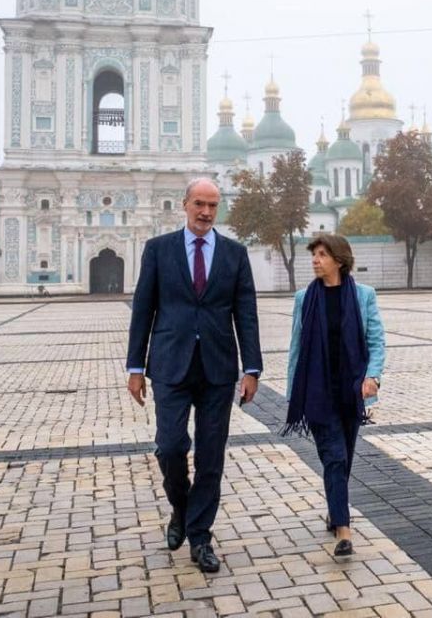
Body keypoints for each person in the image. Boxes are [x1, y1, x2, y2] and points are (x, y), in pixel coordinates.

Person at [126, 178, 262, 574]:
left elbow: (246, 313)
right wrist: (136, 367)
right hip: (170, 365)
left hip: (218, 368)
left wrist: (251, 367)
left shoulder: (235, 254)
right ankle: (182, 510)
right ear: (184, 204)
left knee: (210, 456)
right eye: (199, 204)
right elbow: (143, 309)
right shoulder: (158, 250)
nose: (205, 212)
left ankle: (200, 536)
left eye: (213, 206)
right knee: (169, 447)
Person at [284, 235, 385, 558]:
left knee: (344, 458)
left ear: (339, 260)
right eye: (314, 254)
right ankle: (344, 530)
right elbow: (297, 347)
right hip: (317, 391)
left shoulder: (363, 295)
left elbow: (376, 340)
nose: (315, 260)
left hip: (351, 390)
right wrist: (293, 392)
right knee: (335, 457)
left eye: (322, 254)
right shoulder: (304, 298)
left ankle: (334, 507)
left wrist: (373, 377)